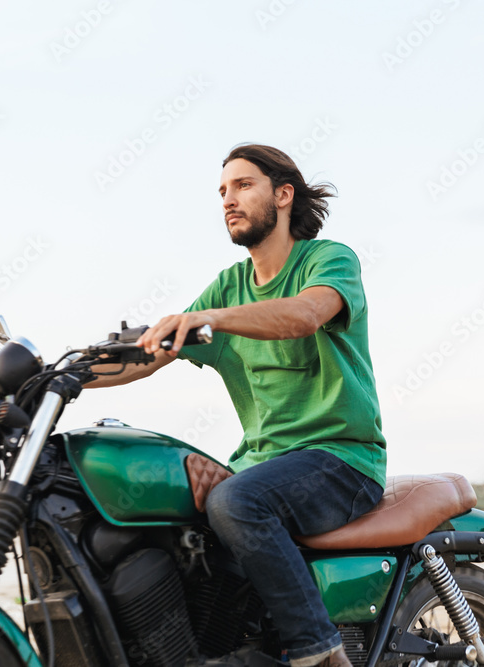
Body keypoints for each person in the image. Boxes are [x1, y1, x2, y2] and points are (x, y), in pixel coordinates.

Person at [89, 144, 387, 667]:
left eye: (243, 185)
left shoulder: (327, 259)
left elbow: (303, 315)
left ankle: (320, 655)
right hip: (264, 462)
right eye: (223, 191)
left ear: (284, 194)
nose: (229, 199)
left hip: (341, 460)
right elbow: (148, 357)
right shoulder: (230, 285)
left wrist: (216, 320)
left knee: (236, 502)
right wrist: (51, 376)